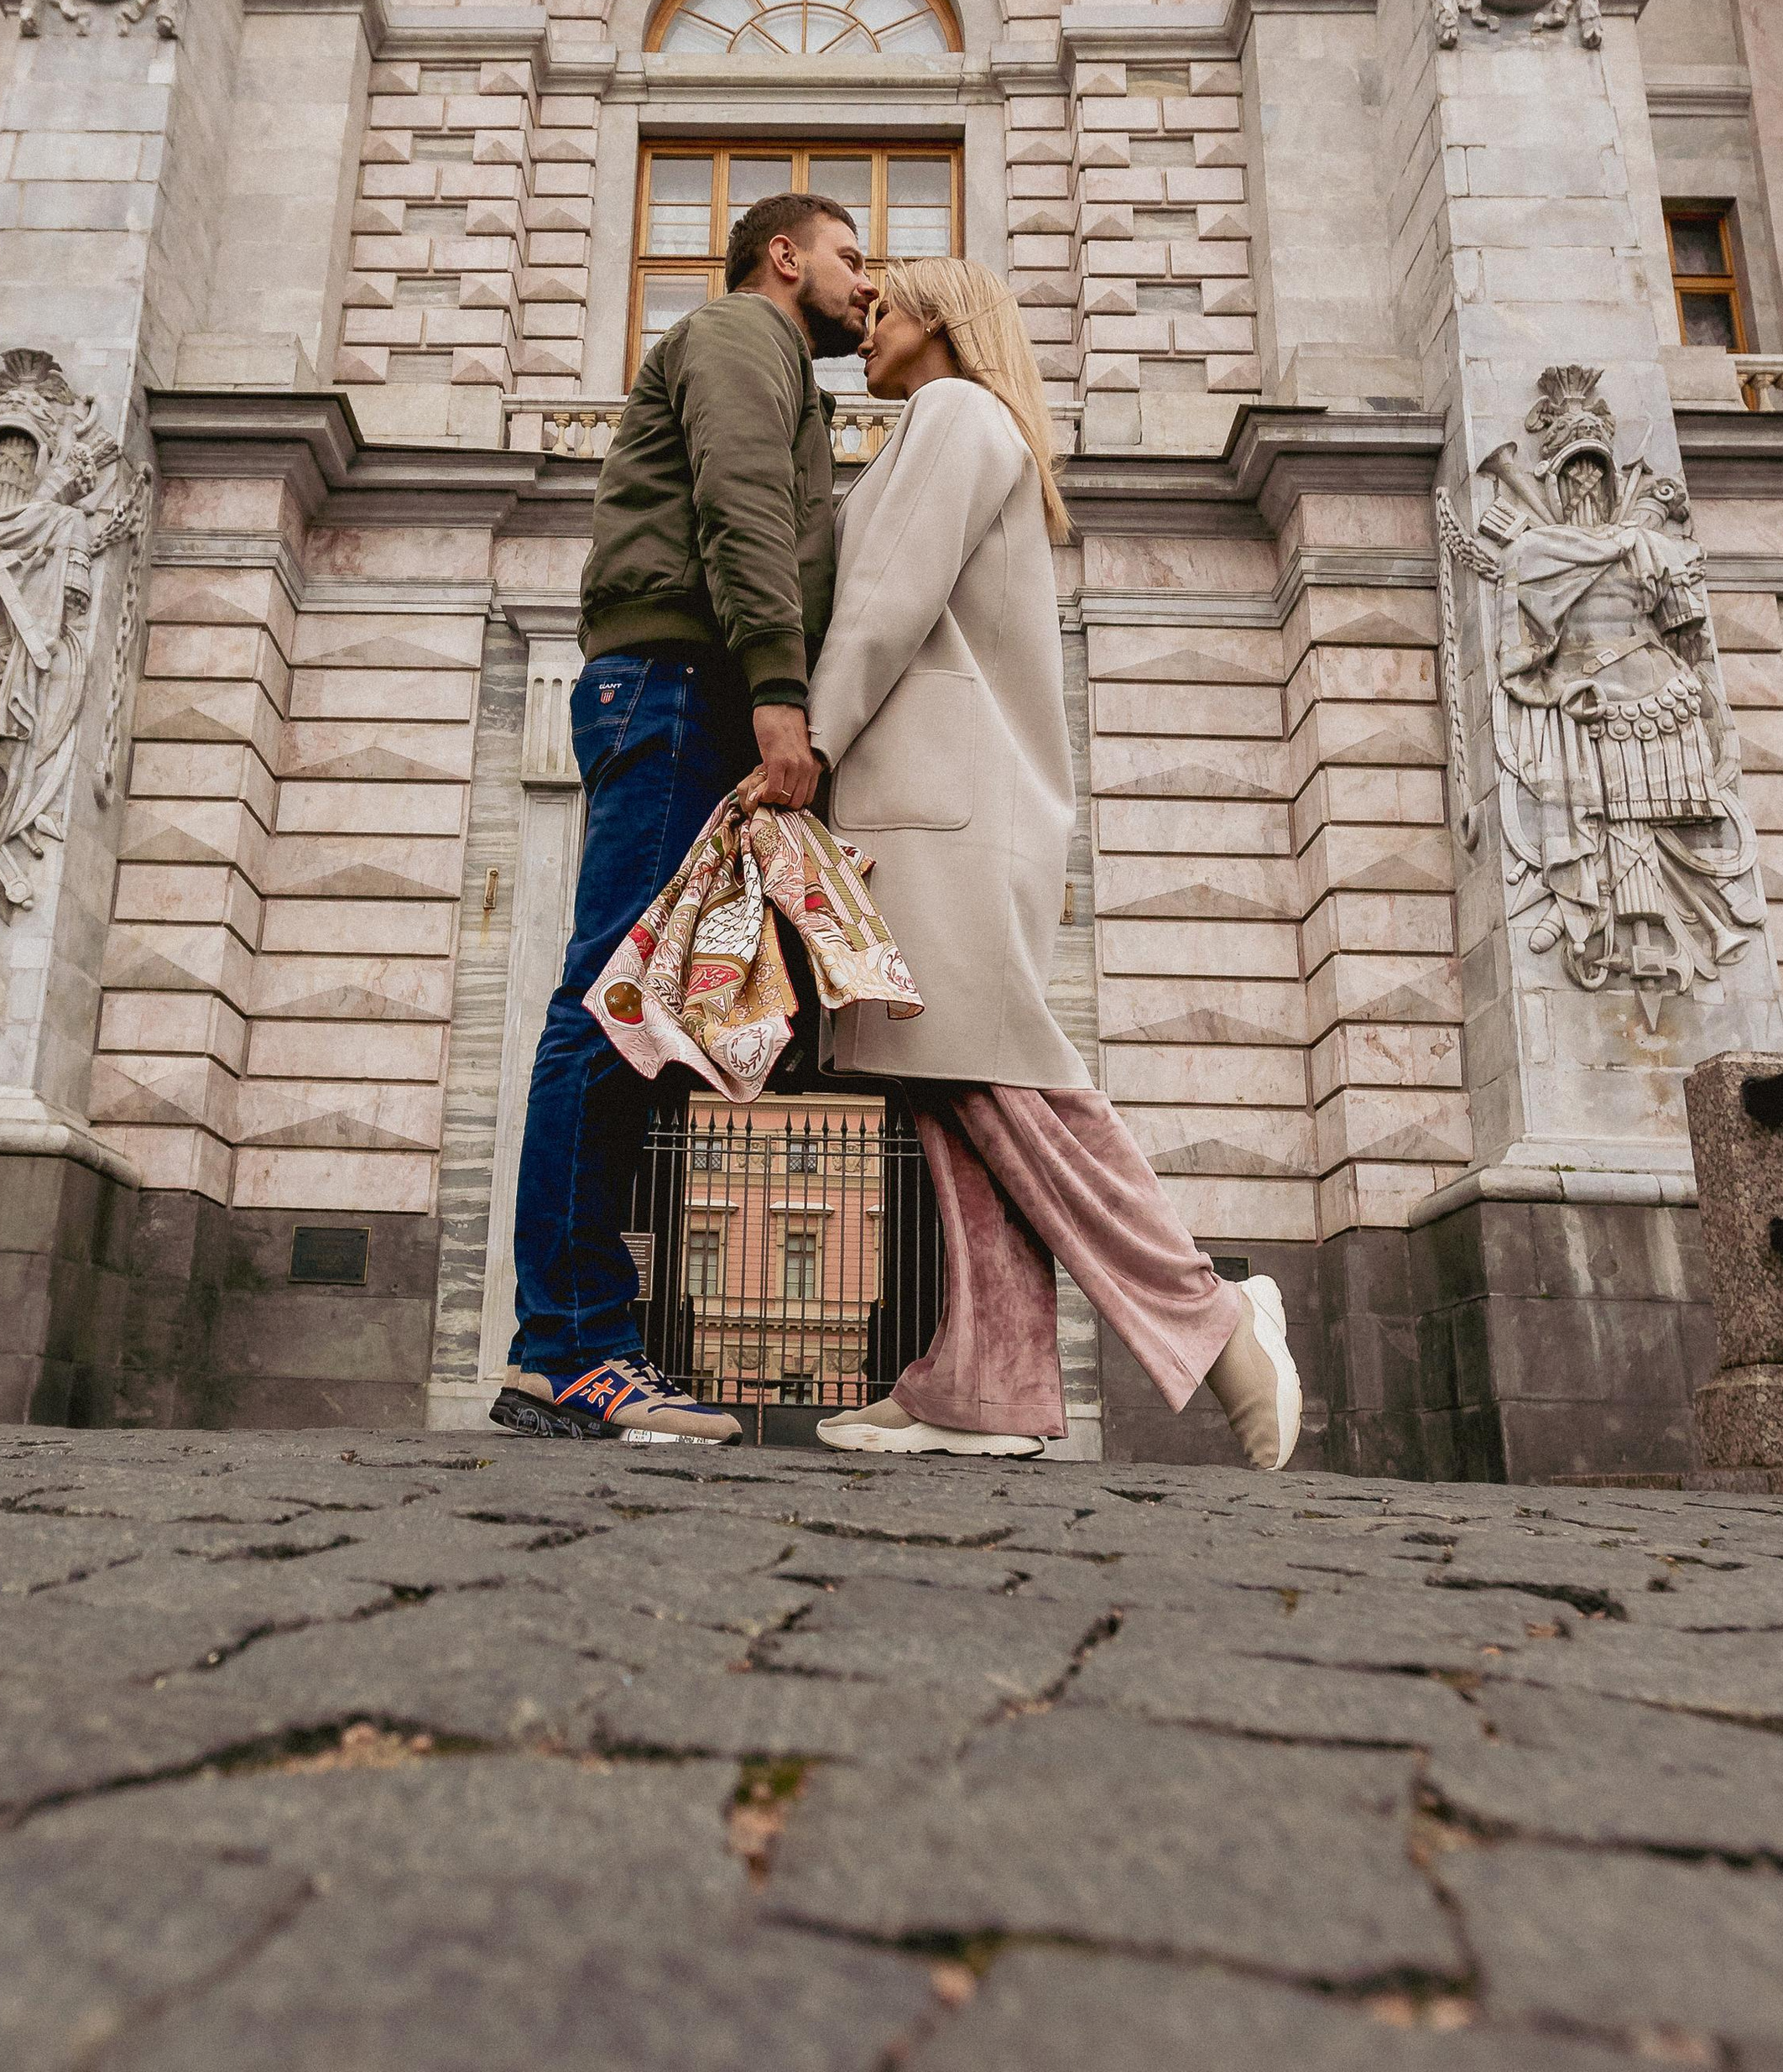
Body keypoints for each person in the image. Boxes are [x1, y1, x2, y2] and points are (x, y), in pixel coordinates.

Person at [786, 258, 1303, 1469]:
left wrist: (811, 740)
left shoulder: (956, 412)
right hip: (941, 802)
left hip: (943, 806)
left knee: (1008, 1079)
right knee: (951, 1085)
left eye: (887, 306)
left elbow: (884, 604)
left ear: (943, 321)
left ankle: (1213, 1314)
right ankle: (987, 1382)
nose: (867, 324)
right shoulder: (961, 426)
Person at [494, 190, 875, 1443]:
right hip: (681, 684)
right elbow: (743, 502)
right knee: (615, 1005)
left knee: (646, 1016)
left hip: (682, 685)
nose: (868, 282)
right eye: (850, 255)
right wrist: (777, 687)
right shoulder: (739, 333)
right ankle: (569, 1349)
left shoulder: (773, 362)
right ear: (785, 255)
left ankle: (589, 1344)